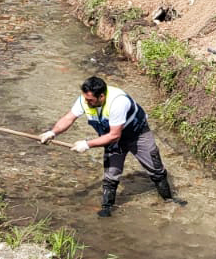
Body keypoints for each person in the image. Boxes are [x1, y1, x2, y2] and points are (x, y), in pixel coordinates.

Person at [39, 74, 173, 216]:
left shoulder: (118, 102)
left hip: (137, 134)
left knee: (156, 169)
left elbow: (114, 135)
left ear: (101, 96)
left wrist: (87, 144)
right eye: (85, 98)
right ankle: (107, 208)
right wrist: (52, 133)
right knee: (111, 175)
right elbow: (69, 118)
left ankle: (169, 201)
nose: (87, 102)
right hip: (112, 137)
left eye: (90, 100)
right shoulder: (84, 100)